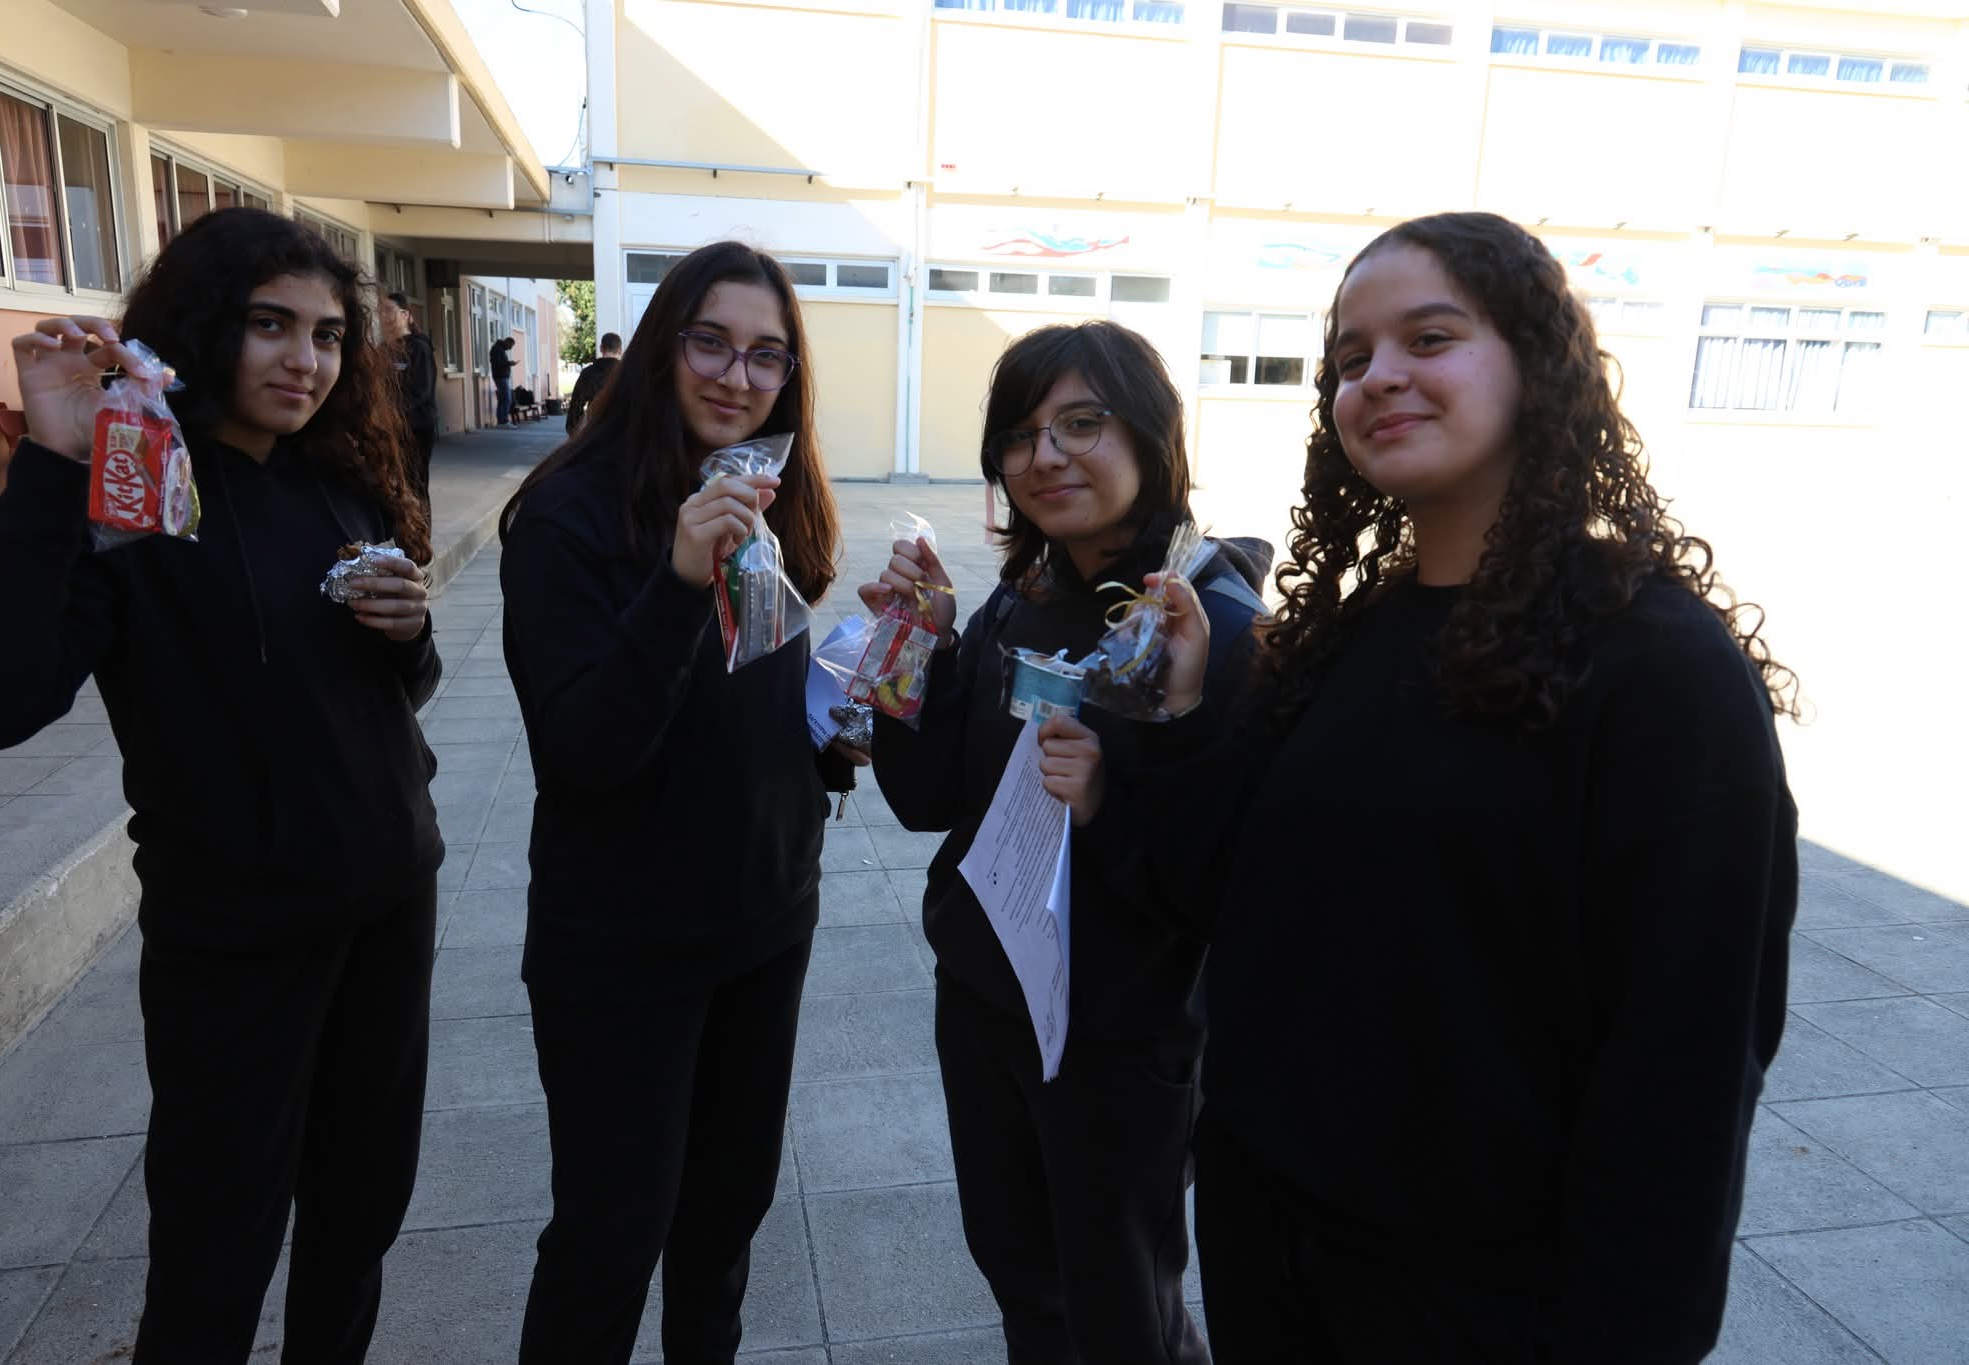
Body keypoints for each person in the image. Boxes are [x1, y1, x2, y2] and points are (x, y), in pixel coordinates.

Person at [1073, 211, 1800, 1363]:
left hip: (1484, 1300)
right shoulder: (1336, 641)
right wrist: (1171, 727)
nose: (1376, 378)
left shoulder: (1659, 671)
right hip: (1272, 1248)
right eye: (1349, 358)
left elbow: (1685, 1069)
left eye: (1427, 338)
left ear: (1534, 363)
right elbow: (1227, 903)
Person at [0, 207, 442, 1364]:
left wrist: (408, 635)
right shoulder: (133, 489)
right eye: (270, 325)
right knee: (216, 1255)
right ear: (205, 326)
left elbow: (395, 695)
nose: (304, 361)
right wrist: (51, 464)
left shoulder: (343, 483)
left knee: (359, 1219)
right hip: (235, 939)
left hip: (386, 907)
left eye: (326, 335)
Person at [863, 321, 1267, 1364]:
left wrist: (1110, 801)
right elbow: (928, 799)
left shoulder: (1210, 627)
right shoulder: (1026, 594)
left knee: (1120, 1310)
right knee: (1022, 1279)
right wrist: (915, 652)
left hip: (1116, 1039)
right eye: (1020, 433)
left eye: (1080, 423)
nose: (1044, 456)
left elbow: (1216, 890)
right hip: (983, 1000)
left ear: (1151, 434)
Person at [497, 239, 854, 1363]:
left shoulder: (768, 492)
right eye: (711, 342)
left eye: (766, 355)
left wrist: (841, 719)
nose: (737, 377)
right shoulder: (566, 516)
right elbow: (584, 752)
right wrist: (676, 584)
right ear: (662, 346)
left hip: (764, 923)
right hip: (624, 946)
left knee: (722, 1225)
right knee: (610, 1240)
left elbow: (754, 695)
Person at [381, 290, 439, 506]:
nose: (384, 316)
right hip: (389, 429)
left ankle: (420, 528)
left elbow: (421, 391)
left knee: (415, 486)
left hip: (416, 429)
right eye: (381, 311)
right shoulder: (383, 349)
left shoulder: (419, 347)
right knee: (393, 487)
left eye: (389, 310)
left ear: (405, 314)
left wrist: (389, 412)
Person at [565, 330, 622, 435]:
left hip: (594, 430)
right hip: (621, 432)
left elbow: (576, 405)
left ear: (601, 348)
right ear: (620, 350)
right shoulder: (627, 372)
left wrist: (574, 431)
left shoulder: (588, 373)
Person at [491, 335, 516, 426]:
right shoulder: (497, 349)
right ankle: (504, 421)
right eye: (510, 346)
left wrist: (508, 363)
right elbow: (498, 363)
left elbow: (500, 362)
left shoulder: (500, 349)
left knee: (502, 399)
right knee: (507, 399)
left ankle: (501, 421)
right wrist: (509, 363)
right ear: (507, 342)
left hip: (501, 377)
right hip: (500, 377)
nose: (510, 348)